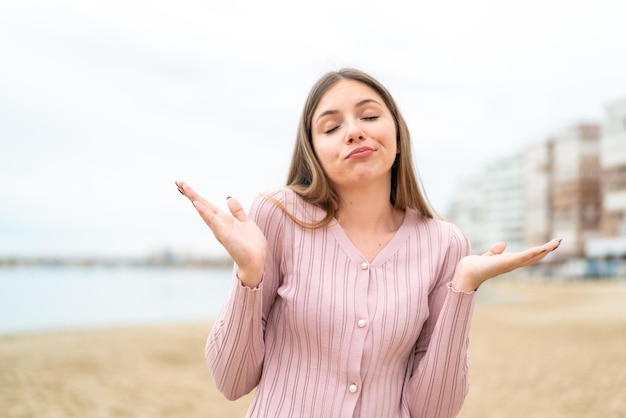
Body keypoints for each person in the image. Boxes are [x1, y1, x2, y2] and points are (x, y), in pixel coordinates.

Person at [175, 68, 561, 418]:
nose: (354, 131)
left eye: (370, 116)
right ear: (313, 152)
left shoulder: (444, 243)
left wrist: (464, 288)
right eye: (330, 128)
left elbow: (434, 411)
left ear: (396, 133)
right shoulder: (277, 215)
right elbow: (231, 382)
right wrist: (249, 275)